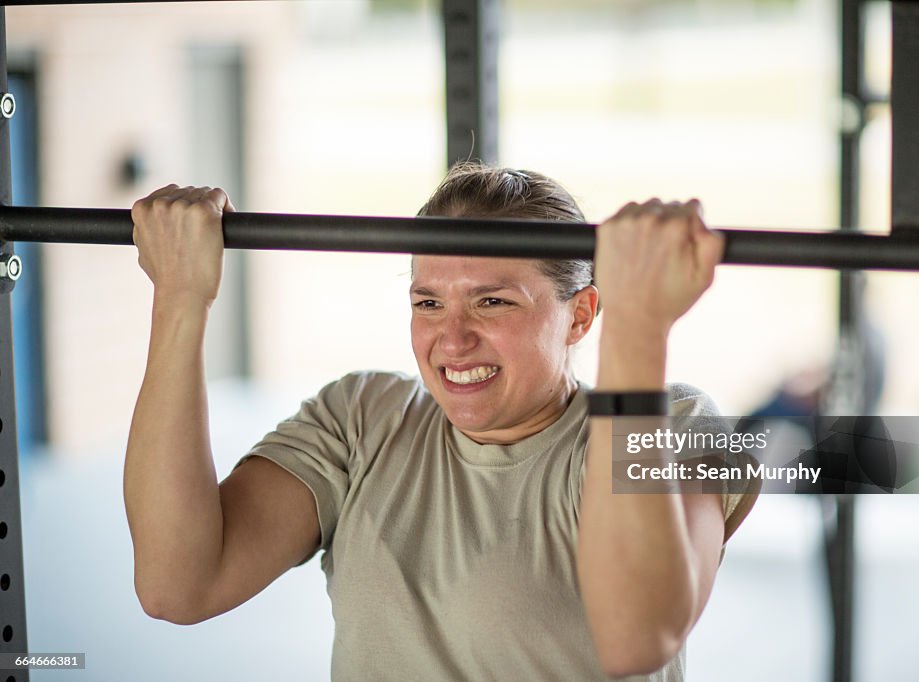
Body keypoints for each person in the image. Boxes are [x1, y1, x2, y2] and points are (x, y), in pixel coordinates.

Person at [124, 162, 759, 681]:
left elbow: (637, 637)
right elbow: (178, 587)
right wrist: (181, 299)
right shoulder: (362, 419)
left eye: (493, 302)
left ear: (582, 315)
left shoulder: (675, 423)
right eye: (428, 302)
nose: (452, 339)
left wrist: (642, 326)